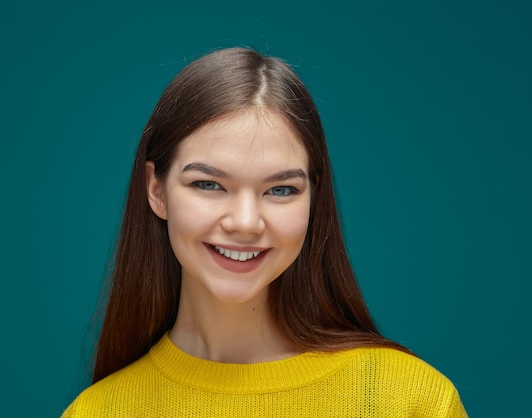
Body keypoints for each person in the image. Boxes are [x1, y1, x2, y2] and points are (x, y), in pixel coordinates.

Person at [62, 47, 467, 417]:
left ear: (314, 197)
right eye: (208, 184)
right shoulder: (96, 411)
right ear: (156, 190)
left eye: (280, 190)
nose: (245, 222)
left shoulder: (410, 401)